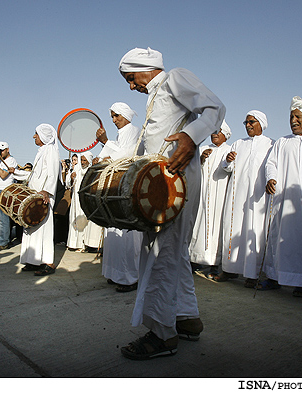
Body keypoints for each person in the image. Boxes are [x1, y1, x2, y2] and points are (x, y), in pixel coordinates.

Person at [118, 47, 225, 359]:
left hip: (174, 187)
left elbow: (215, 108)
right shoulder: (156, 97)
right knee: (172, 253)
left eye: (130, 78)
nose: (130, 86)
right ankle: (187, 319)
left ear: (144, 67)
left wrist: (191, 138)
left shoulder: (175, 78)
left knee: (162, 255)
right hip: (159, 189)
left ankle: (162, 335)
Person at [263, 97, 302, 296]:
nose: (293, 121)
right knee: (280, 238)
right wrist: (271, 178)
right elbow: (271, 164)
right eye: (291, 117)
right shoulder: (282, 142)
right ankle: (275, 278)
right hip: (284, 201)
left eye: (298, 117)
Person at [220, 110, 273, 287]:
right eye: (246, 123)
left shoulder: (270, 144)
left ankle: (253, 274)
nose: (248, 125)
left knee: (254, 231)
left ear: (261, 124)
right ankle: (228, 269)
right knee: (232, 228)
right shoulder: (237, 144)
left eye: (251, 122)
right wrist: (227, 160)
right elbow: (227, 168)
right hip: (236, 196)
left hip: (257, 197)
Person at [96, 102, 143, 292]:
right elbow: (112, 151)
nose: (114, 120)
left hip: (127, 190)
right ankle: (116, 273)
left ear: (125, 116)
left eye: (117, 116)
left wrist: (106, 143)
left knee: (126, 236)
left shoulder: (134, 131)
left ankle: (130, 278)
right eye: (112, 117)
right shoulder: (120, 135)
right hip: (116, 188)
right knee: (114, 233)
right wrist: (100, 157)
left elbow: (129, 155)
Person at [189, 120, 232, 278]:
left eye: (218, 131)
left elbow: (230, 168)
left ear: (225, 134)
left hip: (219, 196)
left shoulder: (230, 149)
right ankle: (194, 259)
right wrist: (200, 160)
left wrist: (228, 160)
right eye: (213, 130)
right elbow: (193, 169)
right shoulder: (204, 149)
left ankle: (215, 263)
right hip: (202, 195)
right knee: (197, 226)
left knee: (216, 228)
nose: (214, 133)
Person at [18, 124, 59, 276]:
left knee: (44, 229)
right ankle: (33, 260)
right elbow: (34, 175)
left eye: (36, 134)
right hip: (35, 195)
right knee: (32, 228)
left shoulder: (51, 150)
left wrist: (47, 191)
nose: (34, 136)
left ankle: (48, 262)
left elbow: (53, 173)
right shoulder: (41, 151)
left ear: (43, 136)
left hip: (44, 196)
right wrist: (15, 172)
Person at [0, 141, 17, 251]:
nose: (0, 153)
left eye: (1, 151)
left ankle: (3, 242)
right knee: (0, 218)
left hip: (3, 191)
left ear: (7, 150)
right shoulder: (2, 161)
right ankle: (4, 239)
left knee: (3, 218)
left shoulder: (11, 161)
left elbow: (3, 175)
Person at [66, 153, 89, 251]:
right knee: (73, 219)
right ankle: (72, 243)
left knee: (82, 221)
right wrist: (71, 177)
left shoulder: (90, 170)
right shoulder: (76, 169)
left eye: (85, 160)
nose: (82, 163)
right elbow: (68, 183)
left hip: (84, 201)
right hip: (75, 200)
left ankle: (81, 245)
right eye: (82, 160)